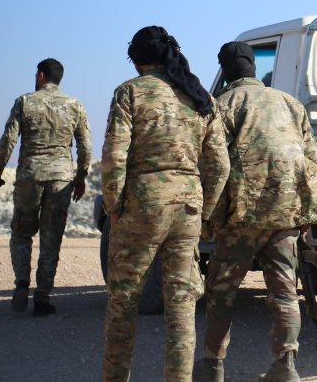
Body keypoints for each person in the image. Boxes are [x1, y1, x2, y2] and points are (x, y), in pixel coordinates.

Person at [194, 42, 317, 382]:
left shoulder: (220, 105)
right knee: (285, 293)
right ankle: (286, 367)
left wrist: (205, 217)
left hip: (241, 218)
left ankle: (212, 365)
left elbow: (213, 164)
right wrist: (308, 211)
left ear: (226, 71)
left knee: (221, 294)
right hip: (285, 216)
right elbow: (310, 162)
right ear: (253, 68)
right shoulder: (290, 103)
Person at [101, 26, 230, 381]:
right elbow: (220, 165)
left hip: (141, 207)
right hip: (187, 207)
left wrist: (113, 203)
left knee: (124, 302)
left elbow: (114, 156)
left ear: (138, 60)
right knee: (182, 305)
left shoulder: (129, 92)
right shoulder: (200, 96)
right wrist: (204, 212)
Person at [0, 58, 92, 315]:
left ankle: (22, 283)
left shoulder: (25, 101)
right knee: (51, 237)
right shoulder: (75, 105)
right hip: (61, 178)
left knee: (22, 233)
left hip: (29, 176)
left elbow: (8, 140)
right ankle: (42, 296)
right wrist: (80, 177)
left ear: (41, 76)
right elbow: (85, 147)